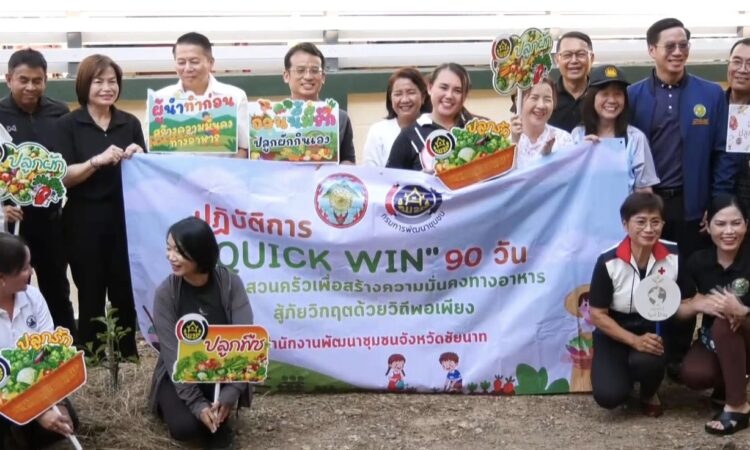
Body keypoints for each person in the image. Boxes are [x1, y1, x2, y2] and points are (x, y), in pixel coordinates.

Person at [628, 18, 739, 377]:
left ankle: (679, 357)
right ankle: (647, 359)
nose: (678, 52)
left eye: (683, 45)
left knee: (684, 280)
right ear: (652, 50)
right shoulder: (632, 96)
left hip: (693, 207)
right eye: (669, 46)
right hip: (649, 207)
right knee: (647, 277)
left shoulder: (710, 95)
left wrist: (716, 204)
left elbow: (723, 153)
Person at [55, 54, 144, 360]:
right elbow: (63, 177)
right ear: (84, 85)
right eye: (99, 82)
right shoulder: (67, 124)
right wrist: (96, 161)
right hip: (83, 219)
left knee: (124, 289)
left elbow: (145, 173)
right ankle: (92, 355)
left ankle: (127, 354)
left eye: (112, 82)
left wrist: (139, 155)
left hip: (125, 219)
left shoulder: (129, 122)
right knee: (90, 289)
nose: (107, 88)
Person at [149, 217, 252, 449]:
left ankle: (218, 417)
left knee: (217, 421)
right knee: (184, 428)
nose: (170, 257)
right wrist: (197, 405)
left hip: (223, 368)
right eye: (169, 249)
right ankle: (200, 413)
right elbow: (172, 357)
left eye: (179, 251)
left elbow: (246, 345)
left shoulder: (230, 285)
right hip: (180, 372)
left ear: (200, 252)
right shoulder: (166, 293)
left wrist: (230, 394)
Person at [0, 48, 76, 334]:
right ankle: (19, 346)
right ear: (9, 79)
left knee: (57, 287)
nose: (30, 87)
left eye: (37, 80)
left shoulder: (60, 112)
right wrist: (2, 208)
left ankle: (66, 345)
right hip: (13, 224)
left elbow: (67, 161)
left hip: (52, 218)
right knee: (15, 287)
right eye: (23, 80)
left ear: (46, 80)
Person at [588, 192, 678, 417]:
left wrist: (702, 304)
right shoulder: (608, 261)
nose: (649, 229)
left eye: (655, 222)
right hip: (615, 330)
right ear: (625, 224)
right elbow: (597, 314)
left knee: (650, 359)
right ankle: (623, 381)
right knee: (609, 396)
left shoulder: (674, 255)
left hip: (654, 326)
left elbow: (684, 299)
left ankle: (649, 392)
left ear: (663, 224)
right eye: (641, 221)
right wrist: (634, 341)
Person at [677, 194, 750, 435]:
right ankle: (729, 386)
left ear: (746, 225)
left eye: (736, 223)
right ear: (707, 226)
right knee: (693, 374)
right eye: (720, 224)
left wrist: (743, 311)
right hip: (714, 342)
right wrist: (699, 305)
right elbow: (679, 310)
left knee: (725, 322)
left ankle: (738, 407)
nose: (729, 231)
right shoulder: (698, 261)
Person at [0, 234, 79, 449]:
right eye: (24, 268)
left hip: (33, 387)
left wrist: (56, 402)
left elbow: (48, 354)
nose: (32, 272)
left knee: (65, 421)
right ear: (2, 278)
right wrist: (37, 413)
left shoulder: (33, 297)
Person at [152, 32, 249, 158]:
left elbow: (244, 148)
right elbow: (151, 150)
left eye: (194, 61)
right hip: (171, 171)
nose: (187, 68)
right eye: (181, 62)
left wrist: (226, 171)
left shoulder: (235, 97)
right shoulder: (159, 99)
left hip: (220, 170)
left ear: (210, 63)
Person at [571, 64, 660, 193]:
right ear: (591, 97)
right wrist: (579, 154)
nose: (612, 100)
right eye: (605, 94)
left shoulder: (636, 138)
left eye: (618, 94)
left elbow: (644, 191)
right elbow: (568, 185)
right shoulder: (578, 135)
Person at [386, 62, 475, 170]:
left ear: (465, 95)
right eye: (443, 87)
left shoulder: (479, 128)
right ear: (430, 88)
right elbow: (390, 178)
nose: (449, 95)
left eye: (458, 90)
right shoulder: (409, 136)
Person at [282, 42, 355, 164]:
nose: (308, 76)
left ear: (323, 77)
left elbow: (348, 160)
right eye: (300, 70)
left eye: (315, 71)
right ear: (286, 76)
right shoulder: (273, 117)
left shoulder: (340, 118)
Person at [362, 67, 429, 167]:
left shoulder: (433, 128)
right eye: (398, 94)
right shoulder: (378, 131)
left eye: (411, 92)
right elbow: (370, 172)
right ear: (390, 99)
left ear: (423, 96)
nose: (405, 100)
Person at [509, 78, 573, 169]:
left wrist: (549, 158)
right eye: (534, 98)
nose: (541, 105)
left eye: (547, 99)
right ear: (518, 101)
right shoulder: (503, 140)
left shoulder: (563, 139)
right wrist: (514, 144)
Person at [549, 31, 595, 132]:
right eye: (567, 55)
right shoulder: (548, 97)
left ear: (591, 58)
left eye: (581, 54)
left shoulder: (600, 96)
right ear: (557, 59)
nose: (574, 60)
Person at [727, 39, 750, 209]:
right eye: (737, 61)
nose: (742, 69)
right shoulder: (711, 107)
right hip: (715, 208)